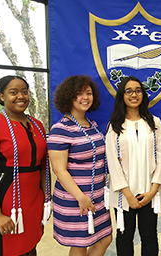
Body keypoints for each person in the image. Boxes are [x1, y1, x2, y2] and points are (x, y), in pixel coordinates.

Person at [0, 75, 50, 256]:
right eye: (13, 92)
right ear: (1, 96)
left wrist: (45, 199)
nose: (21, 97)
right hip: (4, 200)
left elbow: (42, 167)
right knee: (6, 249)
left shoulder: (37, 125)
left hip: (32, 200)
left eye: (24, 92)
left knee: (29, 247)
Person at [47, 75, 112, 256]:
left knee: (105, 238)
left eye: (89, 93)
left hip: (97, 196)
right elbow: (59, 170)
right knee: (80, 244)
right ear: (69, 96)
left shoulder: (93, 124)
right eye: (79, 93)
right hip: (75, 199)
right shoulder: (61, 129)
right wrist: (80, 197)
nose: (85, 97)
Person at [106, 76, 161, 256]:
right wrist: (128, 195)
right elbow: (112, 162)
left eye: (138, 90)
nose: (134, 94)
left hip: (149, 191)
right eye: (129, 90)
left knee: (149, 236)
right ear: (122, 96)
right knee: (124, 237)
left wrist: (154, 190)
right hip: (124, 194)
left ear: (143, 94)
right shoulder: (115, 125)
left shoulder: (154, 123)